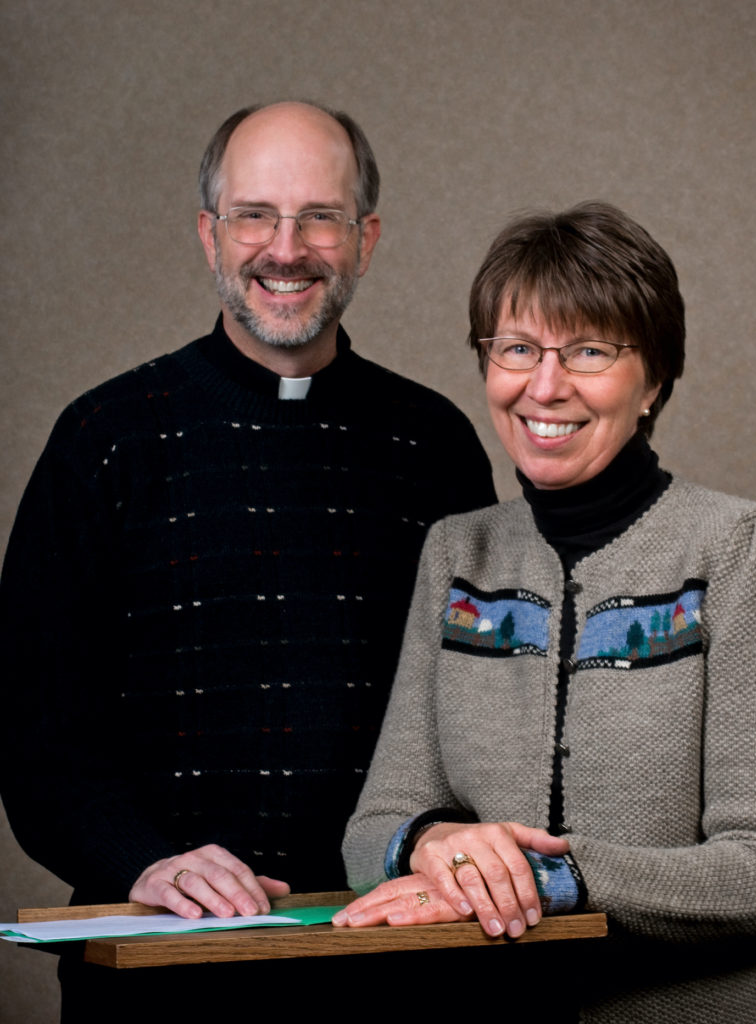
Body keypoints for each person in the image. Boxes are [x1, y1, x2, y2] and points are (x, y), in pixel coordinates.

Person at [0, 101, 495, 1016]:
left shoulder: (436, 444)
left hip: (396, 966)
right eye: (254, 215)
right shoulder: (104, 438)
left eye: (321, 217)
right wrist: (141, 862)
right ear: (208, 234)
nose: (286, 248)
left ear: (368, 238)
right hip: (158, 976)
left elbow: (478, 712)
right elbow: (32, 727)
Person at [335, 203, 756, 1022]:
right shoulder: (458, 556)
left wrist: (550, 878)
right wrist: (429, 843)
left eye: (590, 351)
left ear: (655, 379)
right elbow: (371, 828)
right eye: (517, 349)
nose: (545, 385)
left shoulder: (742, 547)